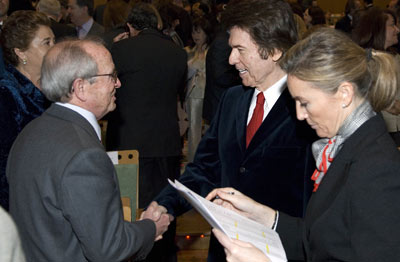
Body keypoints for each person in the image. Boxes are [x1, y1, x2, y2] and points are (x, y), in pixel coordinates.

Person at [208, 27, 400, 262]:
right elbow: (321, 239)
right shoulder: (347, 145)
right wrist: (262, 215)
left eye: (304, 102)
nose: (299, 115)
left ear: (344, 94)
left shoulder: (379, 169)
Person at [153, 0, 316, 261]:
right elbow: (205, 168)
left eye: (240, 50)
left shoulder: (309, 110)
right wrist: (165, 204)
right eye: (231, 49)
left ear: (274, 50)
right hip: (225, 250)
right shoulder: (232, 100)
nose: (231, 59)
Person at [7, 38, 171, 261]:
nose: (118, 84)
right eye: (111, 76)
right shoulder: (84, 155)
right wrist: (151, 227)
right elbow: (109, 249)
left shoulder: (30, 133)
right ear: (80, 88)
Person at [107, 3, 187, 262]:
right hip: (167, 143)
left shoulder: (119, 51)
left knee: (128, 211)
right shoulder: (177, 52)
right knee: (165, 208)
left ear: (130, 26)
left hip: (127, 144)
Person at [0, 10, 54, 211]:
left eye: (53, 41)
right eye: (46, 43)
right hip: (19, 204)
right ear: (20, 52)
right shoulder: (6, 94)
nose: (54, 48)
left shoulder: (56, 89)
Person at [352, 7, 400, 146]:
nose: (397, 29)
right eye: (392, 25)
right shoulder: (364, 60)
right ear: (378, 29)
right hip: (378, 131)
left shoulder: (396, 58)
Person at [184, 16, 213, 162]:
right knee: (193, 129)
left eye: (199, 32)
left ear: (206, 33)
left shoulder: (213, 51)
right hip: (193, 93)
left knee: (209, 129)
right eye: (194, 32)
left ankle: (208, 160)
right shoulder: (188, 51)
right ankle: (193, 162)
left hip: (209, 94)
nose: (195, 36)